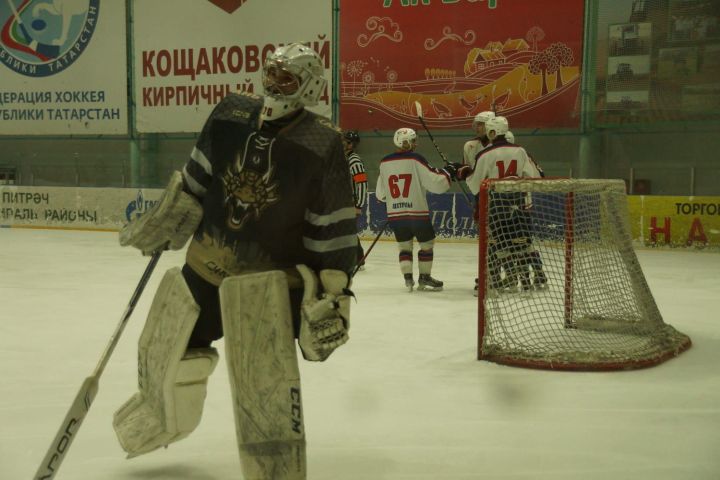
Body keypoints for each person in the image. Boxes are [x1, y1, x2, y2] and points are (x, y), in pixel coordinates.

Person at [113, 43, 357, 480]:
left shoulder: (324, 142)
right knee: (162, 348)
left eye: (288, 78)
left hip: (269, 286)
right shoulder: (229, 112)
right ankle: (164, 416)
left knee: (263, 385)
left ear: (310, 88)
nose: (275, 83)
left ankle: (275, 464)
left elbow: (331, 224)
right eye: (273, 73)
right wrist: (172, 213)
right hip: (205, 263)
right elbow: (197, 177)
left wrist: (335, 292)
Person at [452, 117, 541, 293]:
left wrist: (464, 172)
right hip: (518, 201)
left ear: (492, 132)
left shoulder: (485, 154)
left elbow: (475, 185)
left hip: (496, 204)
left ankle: (493, 280)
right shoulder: (520, 151)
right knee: (519, 241)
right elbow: (534, 176)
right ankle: (523, 279)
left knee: (494, 242)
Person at [375, 127, 453, 291]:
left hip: (396, 216)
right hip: (417, 213)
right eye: (412, 140)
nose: (415, 144)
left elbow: (381, 195)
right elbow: (435, 182)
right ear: (404, 142)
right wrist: (448, 172)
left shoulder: (384, 162)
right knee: (426, 244)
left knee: (404, 247)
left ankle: (408, 279)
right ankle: (424, 278)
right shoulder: (415, 159)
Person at [505, 130, 547, 289]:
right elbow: (540, 175)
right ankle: (536, 273)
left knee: (515, 243)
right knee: (525, 243)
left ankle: (521, 277)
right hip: (523, 203)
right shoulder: (523, 154)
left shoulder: (498, 154)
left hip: (515, 204)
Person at [343, 129, 368, 269]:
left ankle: (359, 259)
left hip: (351, 204)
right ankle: (358, 258)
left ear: (352, 145)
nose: (342, 143)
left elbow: (362, 183)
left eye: (345, 141)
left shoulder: (355, 161)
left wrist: (359, 205)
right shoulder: (342, 159)